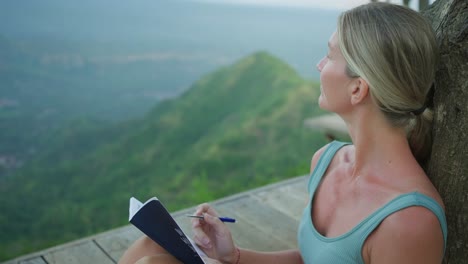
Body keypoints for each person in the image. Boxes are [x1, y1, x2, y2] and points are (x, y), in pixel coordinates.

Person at [119, 2, 447, 263]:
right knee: (151, 243)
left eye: (330, 55)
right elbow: (309, 260)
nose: (319, 65)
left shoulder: (409, 222)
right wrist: (230, 256)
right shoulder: (326, 162)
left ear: (358, 89)